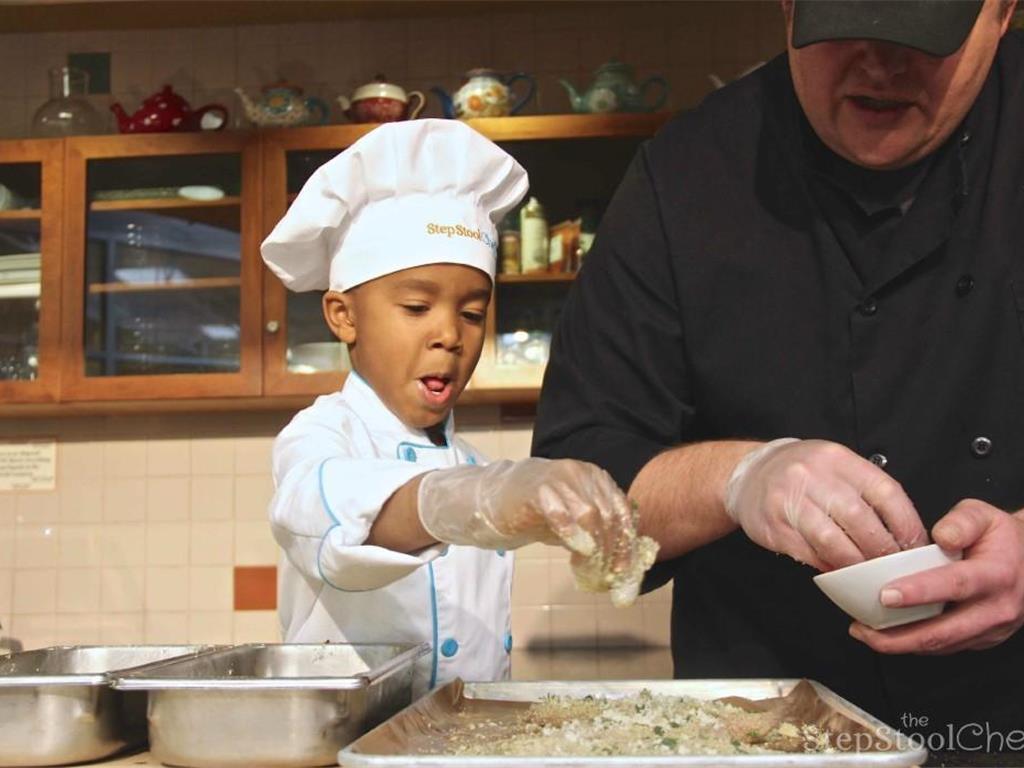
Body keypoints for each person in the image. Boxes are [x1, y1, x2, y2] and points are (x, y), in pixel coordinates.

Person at [533, 0, 1024, 746]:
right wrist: (739, 479)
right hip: (761, 733)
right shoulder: (688, 174)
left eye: (922, 35)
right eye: (847, 23)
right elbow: (577, 485)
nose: (880, 64)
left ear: (1004, 11)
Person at [261, 119, 652, 696]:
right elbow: (318, 510)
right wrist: (465, 499)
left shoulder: (475, 468)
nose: (450, 334)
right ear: (343, 315)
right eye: (417, 306)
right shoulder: (321, 435)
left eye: (472, 313)